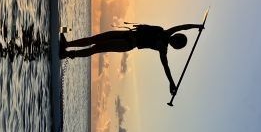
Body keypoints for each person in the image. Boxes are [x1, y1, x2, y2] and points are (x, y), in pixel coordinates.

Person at [60, 22, 204, 94]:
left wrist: (171, 83)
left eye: (177, 41)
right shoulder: (166, 32)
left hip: (127, 43)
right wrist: (196, 25)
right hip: (125, 34)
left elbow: (166, 67)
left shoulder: (163, 48)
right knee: (94, 39)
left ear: (176, 45)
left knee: (96, 48)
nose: (175, 37)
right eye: (177, 37)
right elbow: (182, 27)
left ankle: (68, 54)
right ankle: (68, 44)